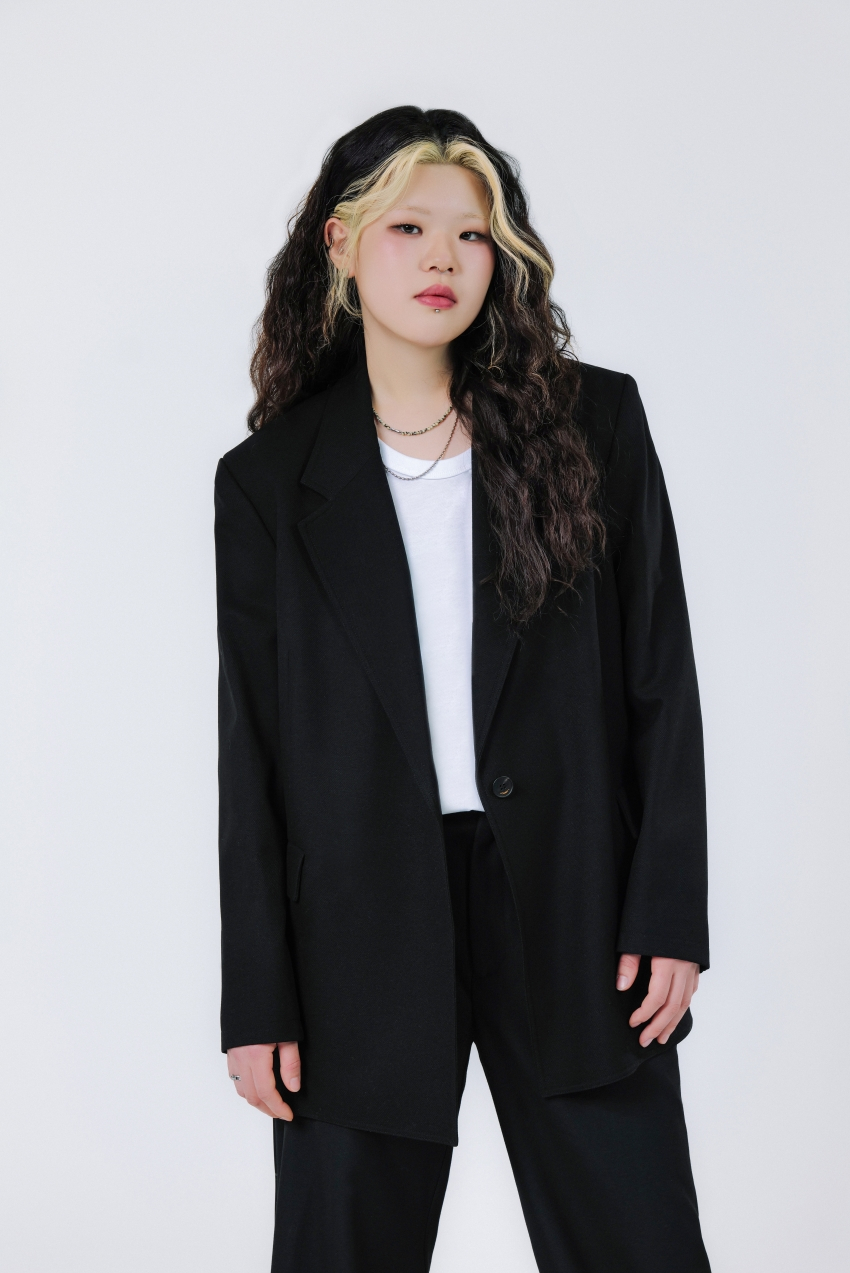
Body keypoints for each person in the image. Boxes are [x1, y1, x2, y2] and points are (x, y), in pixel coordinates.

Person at [214, 105, 711, 1273]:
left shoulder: (592, 424)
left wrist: (667, 908)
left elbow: (660, 680)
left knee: (638, 1243)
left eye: (472, 234)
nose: (442, 257)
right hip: (354, 928)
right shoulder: (269, 482)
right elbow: (254, 749)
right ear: (341, 243)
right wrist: (257, 998)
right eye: (408, 228)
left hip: (574, 904)